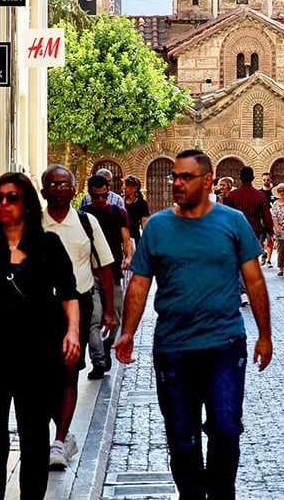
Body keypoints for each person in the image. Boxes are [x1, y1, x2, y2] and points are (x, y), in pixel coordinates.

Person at [113, 149, 272, 499]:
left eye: (185, 177)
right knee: (182, 437)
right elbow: (139, 283)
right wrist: (127, 332)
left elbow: (255, 281)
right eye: (174, 176)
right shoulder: (157, 227)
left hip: (224, 346)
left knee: (226, 428)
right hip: (173, 349)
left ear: (207, 181)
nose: (177, 183)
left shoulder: (232, 222)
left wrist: (265, 335)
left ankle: (220, 492)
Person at [0, 172, 80, 500]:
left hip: (38, 354)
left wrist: (74, 333)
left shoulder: (48, 245)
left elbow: (68, 292)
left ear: (27, 204)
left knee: (35, 436)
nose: (4, 204)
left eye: (12, 197)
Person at [41, 164, 117, 470]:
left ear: (74, 191)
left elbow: (105, 267)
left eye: (65, 184)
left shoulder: (87, 223)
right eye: (53, 184)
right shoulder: (33, 224)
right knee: (45, 377)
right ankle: (60, 428)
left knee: (70, 370)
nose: (59, 189)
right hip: (40, 309)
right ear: (44, 190)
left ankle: (59, 440)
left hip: (79, 305)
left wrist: (109, 310)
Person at [83, 174, 133, 379]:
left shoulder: (118, 212)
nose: (101, 200)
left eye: (104, 196)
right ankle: (98, 360)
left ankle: (106, 346)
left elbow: (125, 238)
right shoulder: (84, 215)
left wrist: (128, 256)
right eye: (97, 197)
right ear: (90, 195)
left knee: (116, 316)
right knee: (93, 318)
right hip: (90, 274)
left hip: (113, 273)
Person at [226, 167, 274, 307]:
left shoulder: (233, 195)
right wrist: (270, 233)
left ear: (239, 178)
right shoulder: (259, 196)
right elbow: (266, 216)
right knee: (251, 263)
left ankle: (243, 291)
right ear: (253, 178)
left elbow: (227, 215)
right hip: (254, 233)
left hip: (236, 233)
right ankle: (247, 290)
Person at [123, 175, 150, 244]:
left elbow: (144, 223)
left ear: (134, 188)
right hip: (121, 237)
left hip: (134, 237)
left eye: (127, 185)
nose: (124, 188)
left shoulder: (141, 203)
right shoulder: (120, 201)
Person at [258, 172, 276, 268]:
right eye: (264, 179)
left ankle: (269, 260)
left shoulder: (274, 192)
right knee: (259, 240)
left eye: (268, 179)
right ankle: (263, 253)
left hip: (271, 219)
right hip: (261, 220)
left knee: (270, 240)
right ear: (261, 180)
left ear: (271, 180)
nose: (266, 181)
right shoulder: (259, 193)